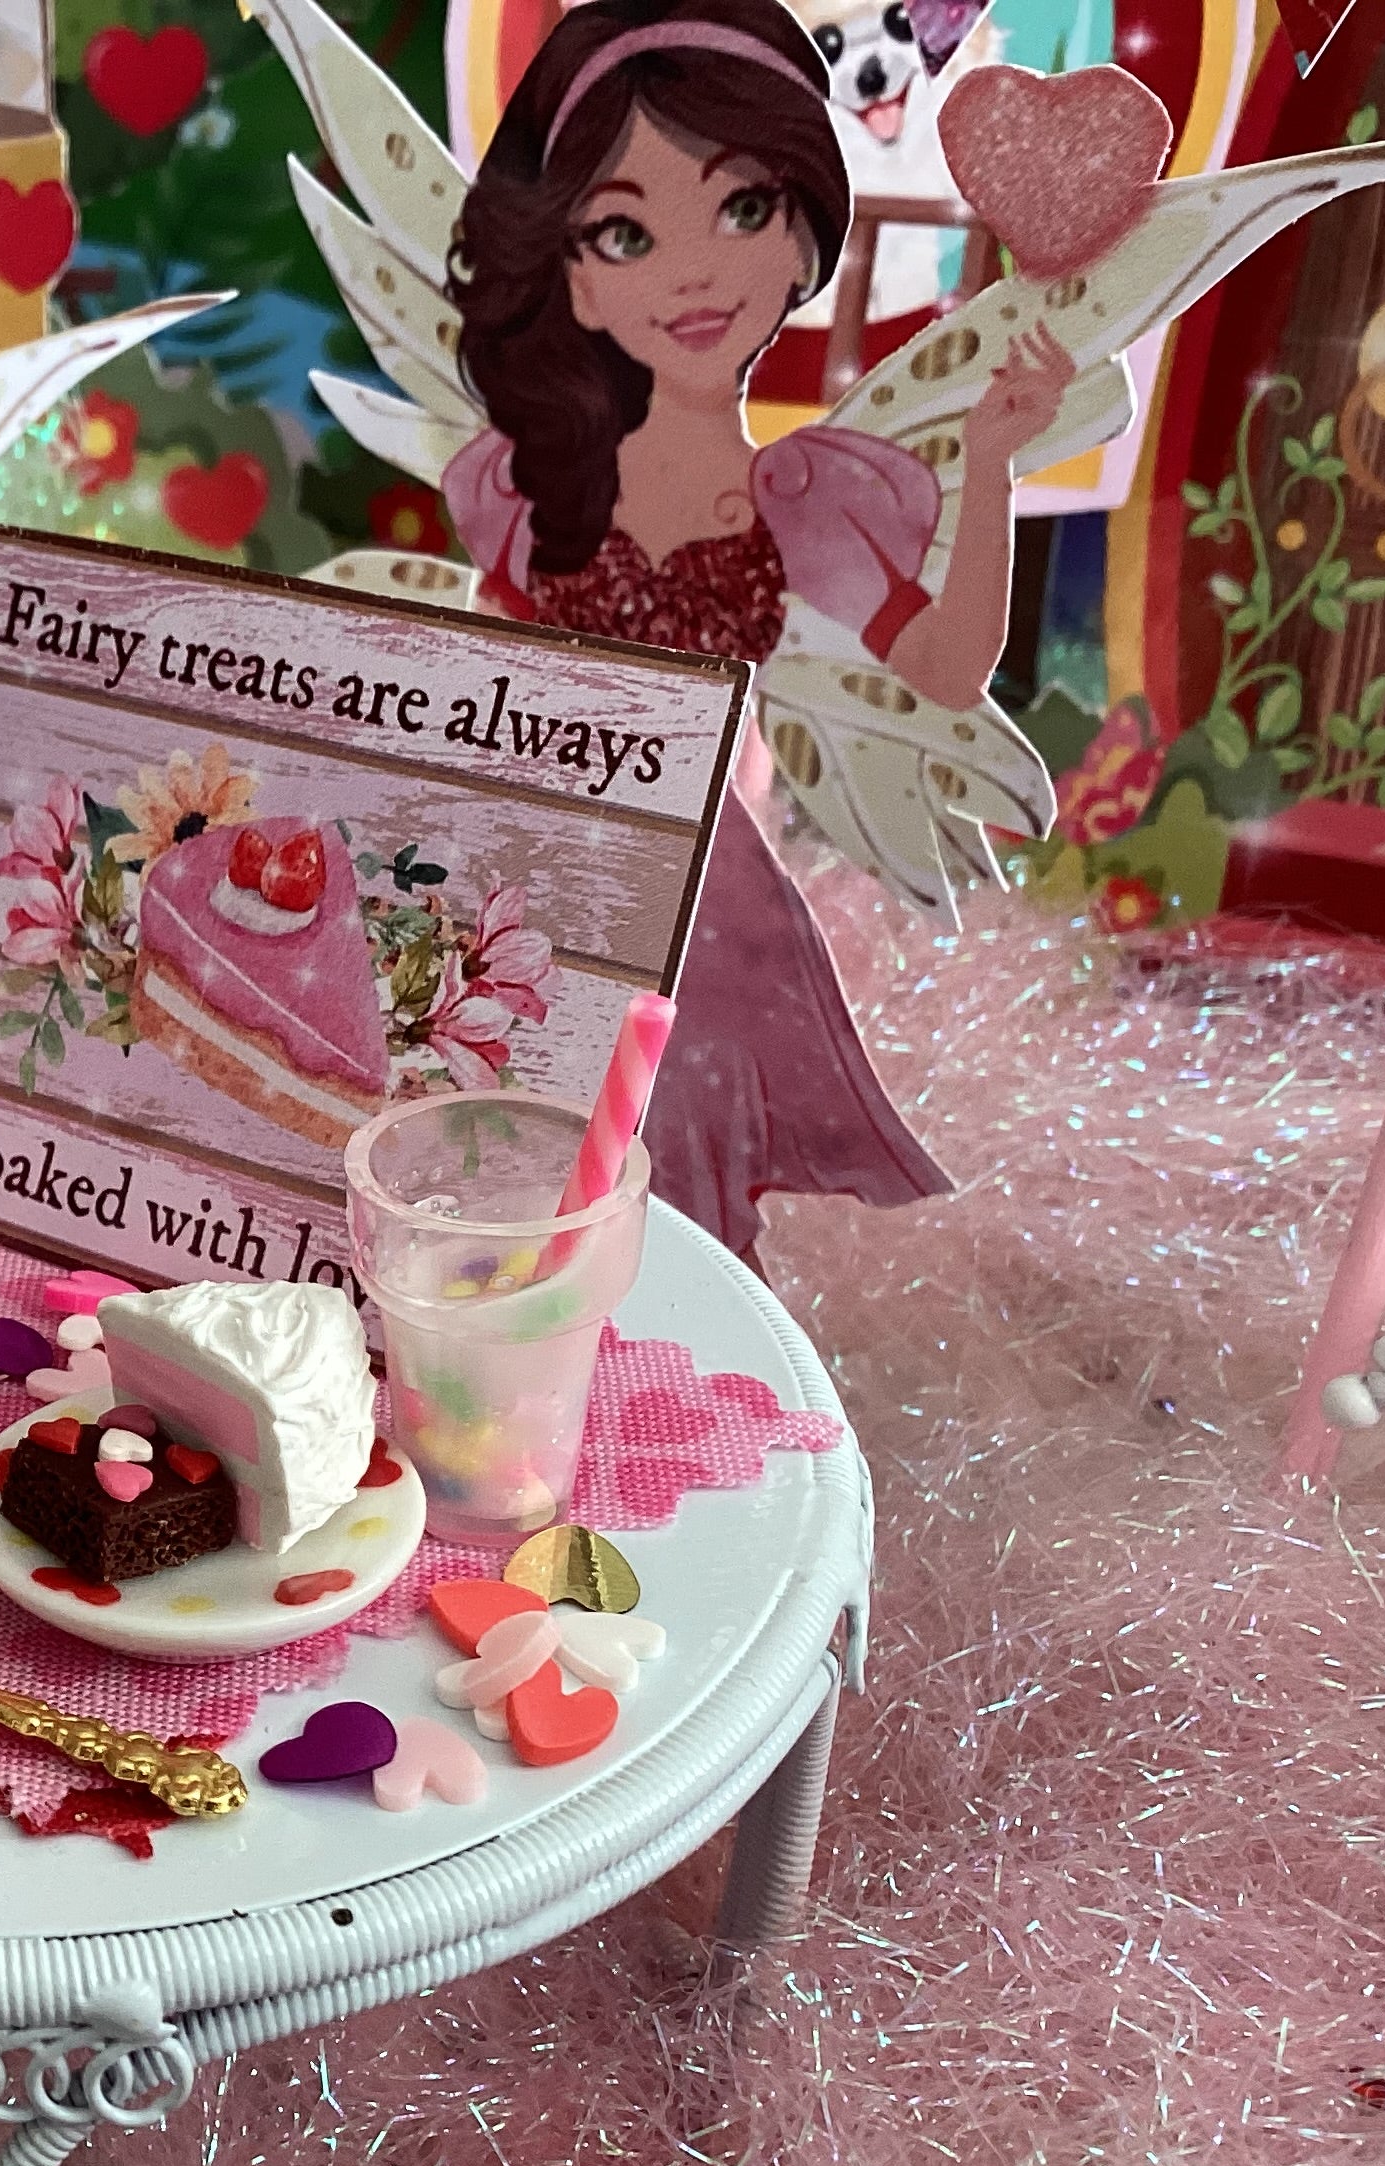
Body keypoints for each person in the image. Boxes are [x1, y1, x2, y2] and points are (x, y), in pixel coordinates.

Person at [443, 0, 1069, 1265]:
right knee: (510, 1160)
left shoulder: (805, 499)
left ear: (801, 237)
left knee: (682, 1187)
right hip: (540, 887)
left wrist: (993, 467)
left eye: (741, 208)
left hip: (710, 908)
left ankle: (674, 1349)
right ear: (570, 272)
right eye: (626, 232)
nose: (693, 274)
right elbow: (483, 678)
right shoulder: (523, 491)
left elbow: (946, 669)